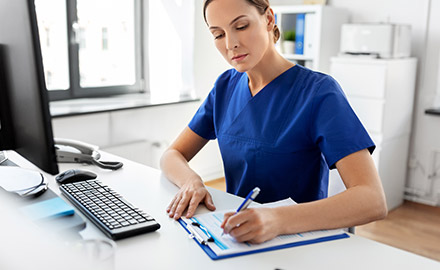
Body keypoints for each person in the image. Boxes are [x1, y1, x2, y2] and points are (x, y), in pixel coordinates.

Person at [160, 0, 387, 244]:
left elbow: (372, 199)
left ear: (269, 19)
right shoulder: (225, 87)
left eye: (242, 26)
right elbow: (172, 154)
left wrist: (276, 220)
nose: (230, 44)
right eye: (218, 34)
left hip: (299, 239)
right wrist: (191, 182)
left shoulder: (319, 93)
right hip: (238, 237)